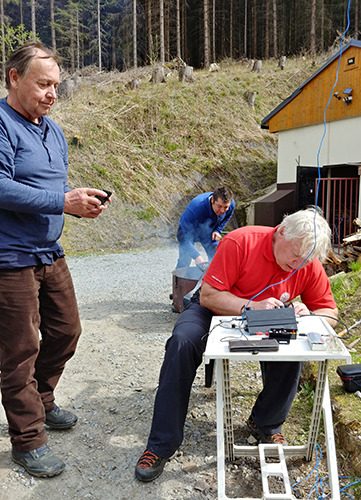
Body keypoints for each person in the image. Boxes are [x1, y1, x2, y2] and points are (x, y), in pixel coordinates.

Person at [135, 208, 338, 482]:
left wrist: (310, 315)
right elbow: (208, 295)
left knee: (294, 349)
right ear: (280, 233)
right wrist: (252, 307)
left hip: (267, 313)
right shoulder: (241, 241)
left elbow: (330, 313)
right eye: (295, 255)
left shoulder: (306, 262)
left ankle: (265, 422)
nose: (299, 264)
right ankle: (161, 444)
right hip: (216, 306)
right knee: (181, 343)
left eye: (306, 259)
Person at [0, 40, 110, 478]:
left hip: (50, 252)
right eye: (43, 84)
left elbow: (47, 189)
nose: (52, 93)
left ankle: (42, 401)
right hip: (10, 258)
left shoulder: (53, 129)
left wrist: (81, 202)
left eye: (56, 86)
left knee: (66, 332)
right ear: (14, 78)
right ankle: (27, 441)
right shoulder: (2, 123)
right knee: (18, 352)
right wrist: (63, 201)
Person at [176, 186, 235, 268]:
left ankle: (212, 278)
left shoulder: (230, 204)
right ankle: (179, 280)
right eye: (219, 206)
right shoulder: (195, 208)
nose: (222, 210)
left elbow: (227, 217)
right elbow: (182, 238)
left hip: (208, 231)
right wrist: (196, 256)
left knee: (217, 256)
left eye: (225, 207)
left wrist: (217, 230)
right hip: (189, 232)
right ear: (212, 200)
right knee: (184, 259)